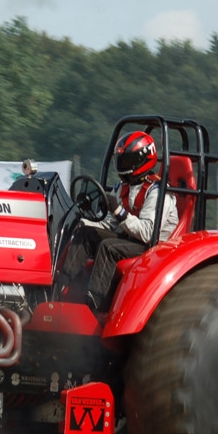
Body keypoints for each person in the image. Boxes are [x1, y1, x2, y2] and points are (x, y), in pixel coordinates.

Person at [85, 131, 179, 313]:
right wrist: (82, 222)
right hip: (131, 238)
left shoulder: (157, 191)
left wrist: (119, 212)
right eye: (120, 160)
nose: (122, 165)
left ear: (142, 160)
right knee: (86, 233)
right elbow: (109, 223)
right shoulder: (122, 187)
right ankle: (59, 287)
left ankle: (92, 305)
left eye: (127, 160)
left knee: (109, 247)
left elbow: (147, 233)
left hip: (156, 246)